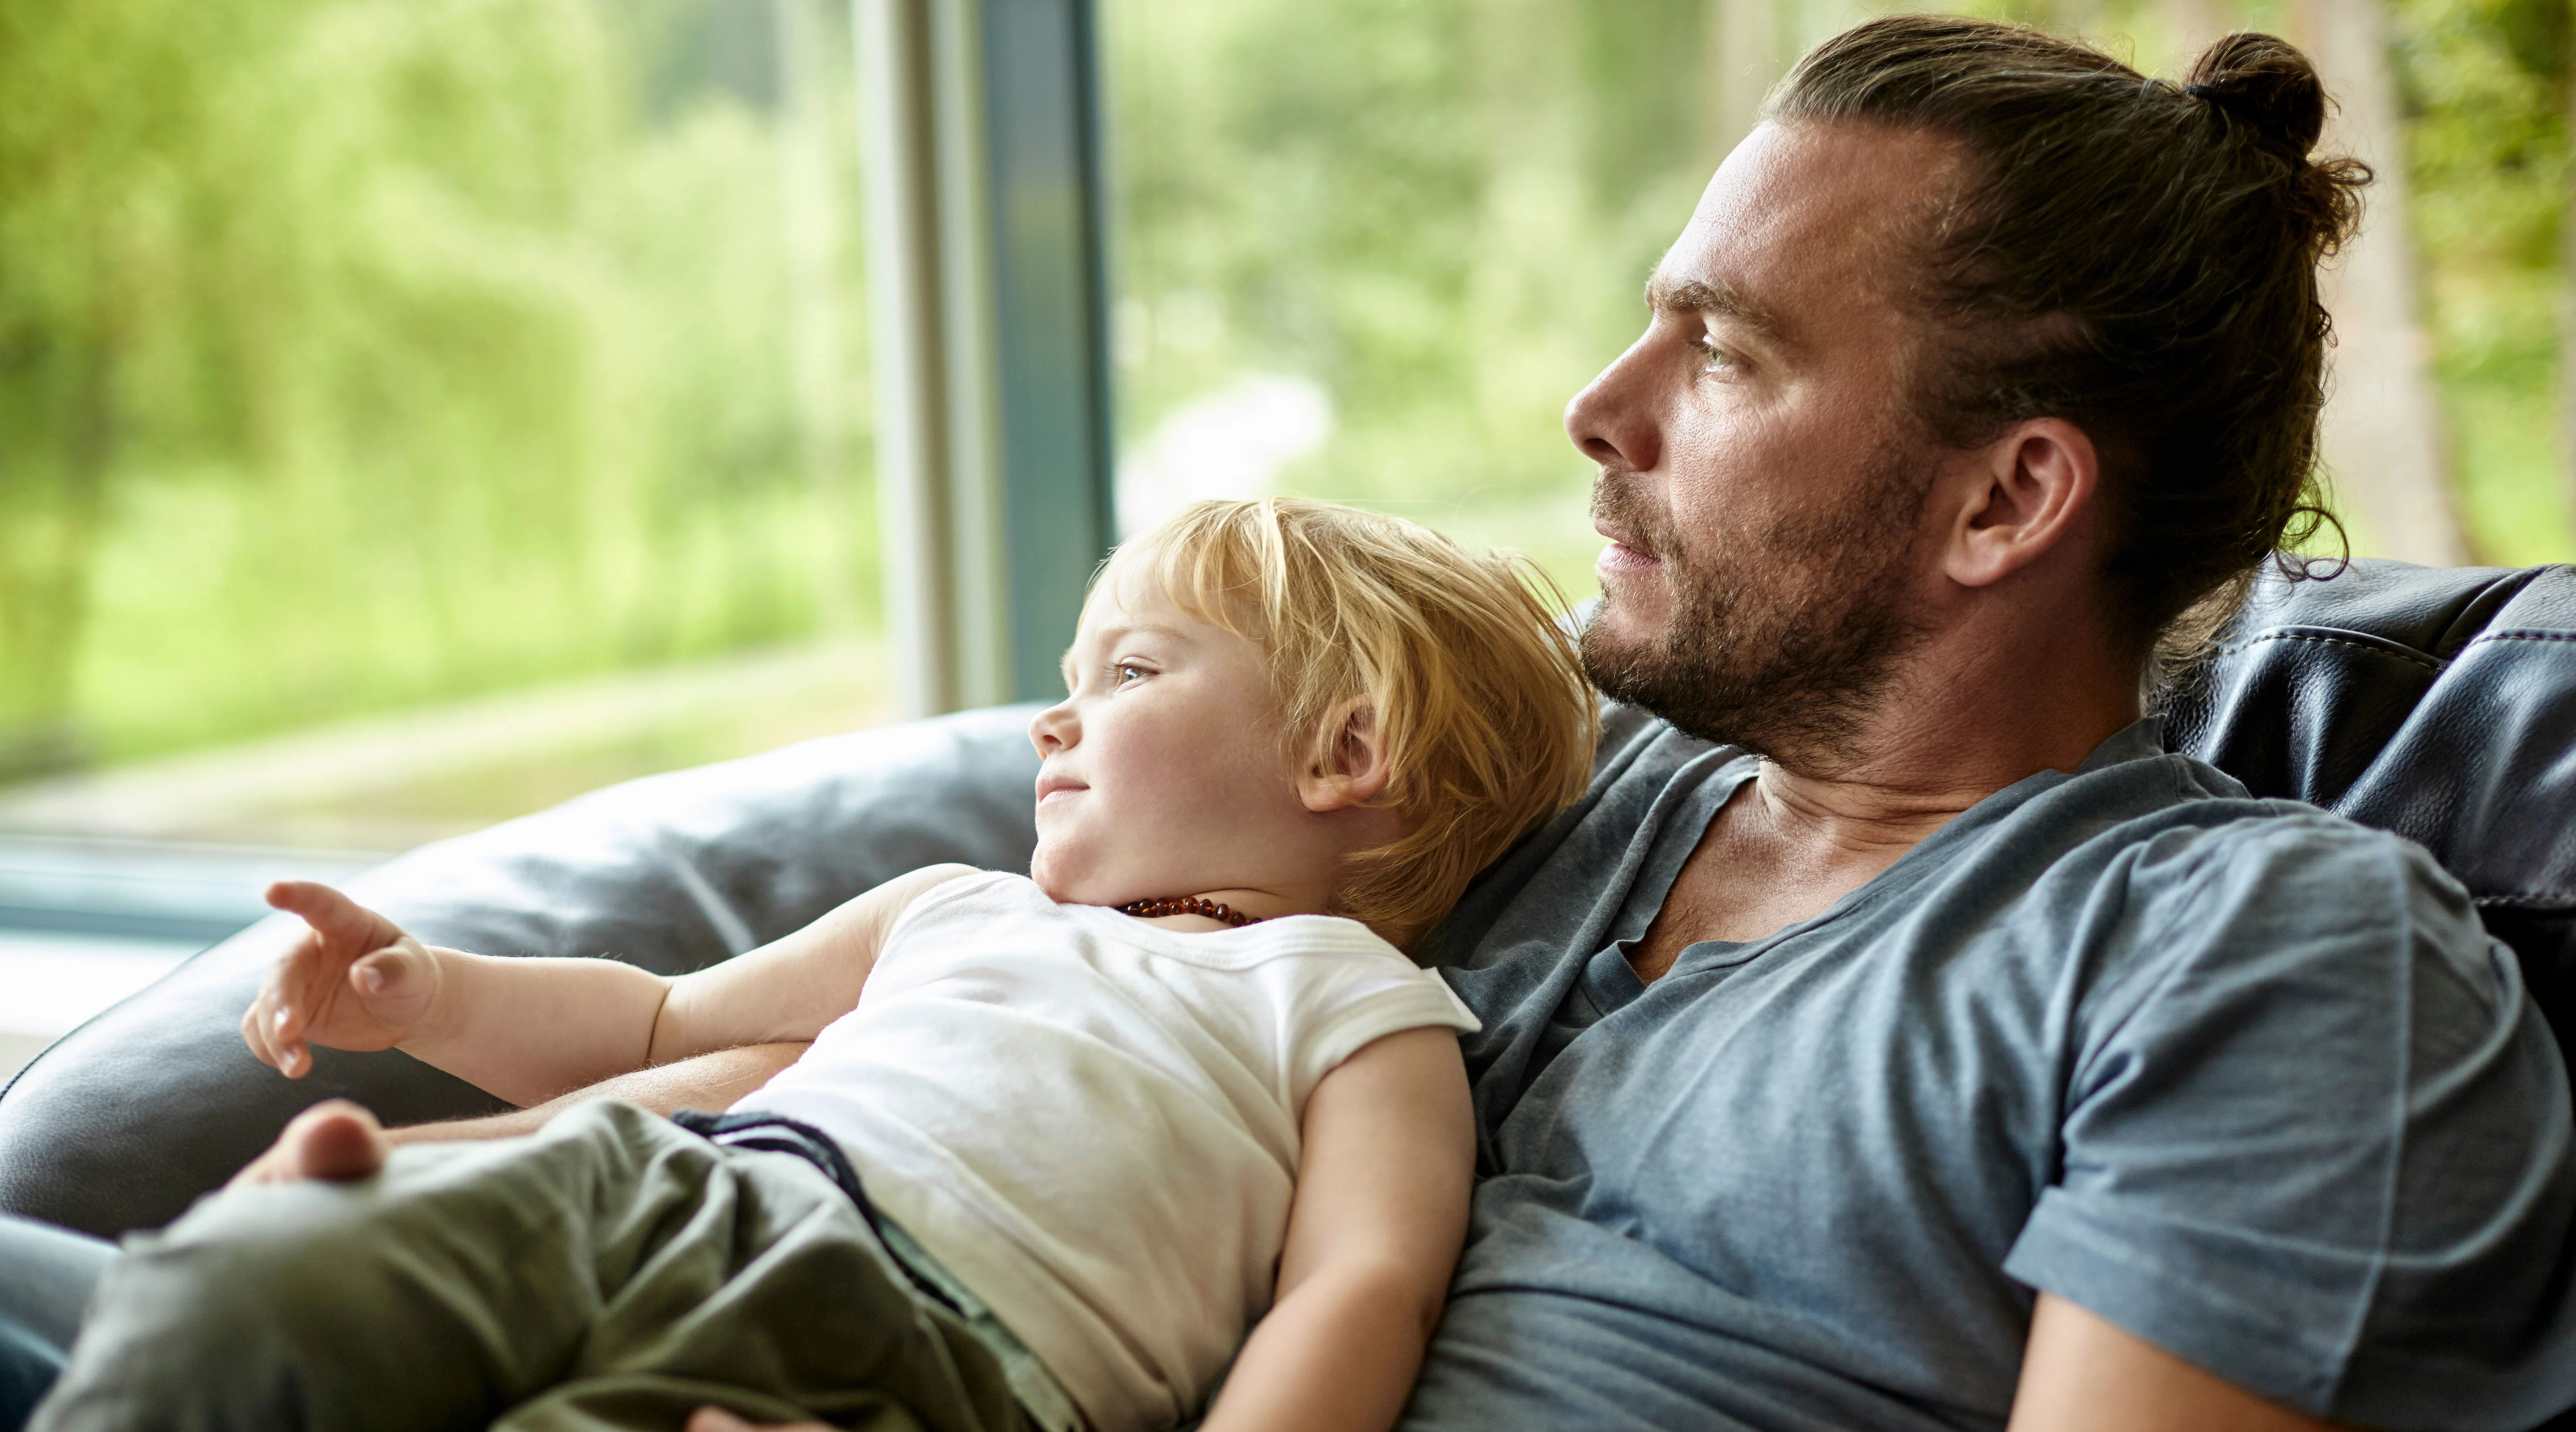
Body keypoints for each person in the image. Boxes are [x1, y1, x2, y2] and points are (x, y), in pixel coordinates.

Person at [10, 14, 2576, 1432]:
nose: (1596, 405)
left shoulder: (2265, 964)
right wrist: (536, 1153)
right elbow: (1007, 1070)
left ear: (2011, 497)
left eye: (1727, 353)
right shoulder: (1551, 813)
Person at [22, 498, 1600, 1432]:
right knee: (244, 1283)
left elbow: (1360, 1284)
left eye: (1126, 673)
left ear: (1343, 752)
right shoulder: (956, 908)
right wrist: (430, 994)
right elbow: (654, 1022)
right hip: (672, 1191)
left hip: (935, 1368)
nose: (1052, 720)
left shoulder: (1362, 1009)